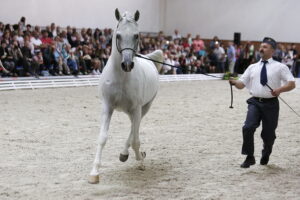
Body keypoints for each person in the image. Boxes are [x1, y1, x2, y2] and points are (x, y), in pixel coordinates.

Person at [229, 37, 296, 168]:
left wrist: (280, 89)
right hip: (254, 102)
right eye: (261, 46)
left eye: (265, 47)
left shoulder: (280, 67)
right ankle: (249, 157)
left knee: (268, 134)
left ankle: (266, 152)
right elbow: (241, 85)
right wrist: (234, 82)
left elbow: (292, 84)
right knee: (248, 127)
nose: (261, 48)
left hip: (271, 104)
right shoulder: (252, 67)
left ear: (272, 50)